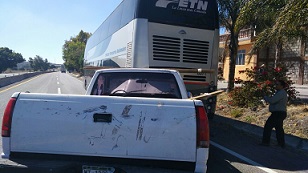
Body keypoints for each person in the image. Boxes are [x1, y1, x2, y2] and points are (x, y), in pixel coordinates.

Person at [260, 80, 288, 148]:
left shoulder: (281, 93)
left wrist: (265, 97)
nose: (276, 86)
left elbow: (272, 101)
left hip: (278, 113)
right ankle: (281, 143)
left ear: (281, 86)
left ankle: (265, 142)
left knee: (268, 126)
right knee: (278, 128)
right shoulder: (279, 92)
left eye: (278, 84)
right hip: (279, 113)